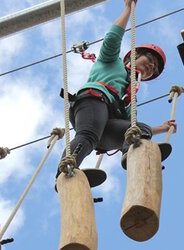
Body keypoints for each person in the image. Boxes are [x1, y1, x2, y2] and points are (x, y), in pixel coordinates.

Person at [58, 0, 177, 187]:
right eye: (150, 59)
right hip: (94, 101)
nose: (151, 66)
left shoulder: (130, 95)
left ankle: (134, 159)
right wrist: (128, 9)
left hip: (107, 124)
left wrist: (159, 129)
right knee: (88, 135)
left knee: (140, 130)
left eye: (153, 68)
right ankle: (65, 171)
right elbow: (113, 38)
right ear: (134, 56)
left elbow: (129, 125)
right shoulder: (112, 62)